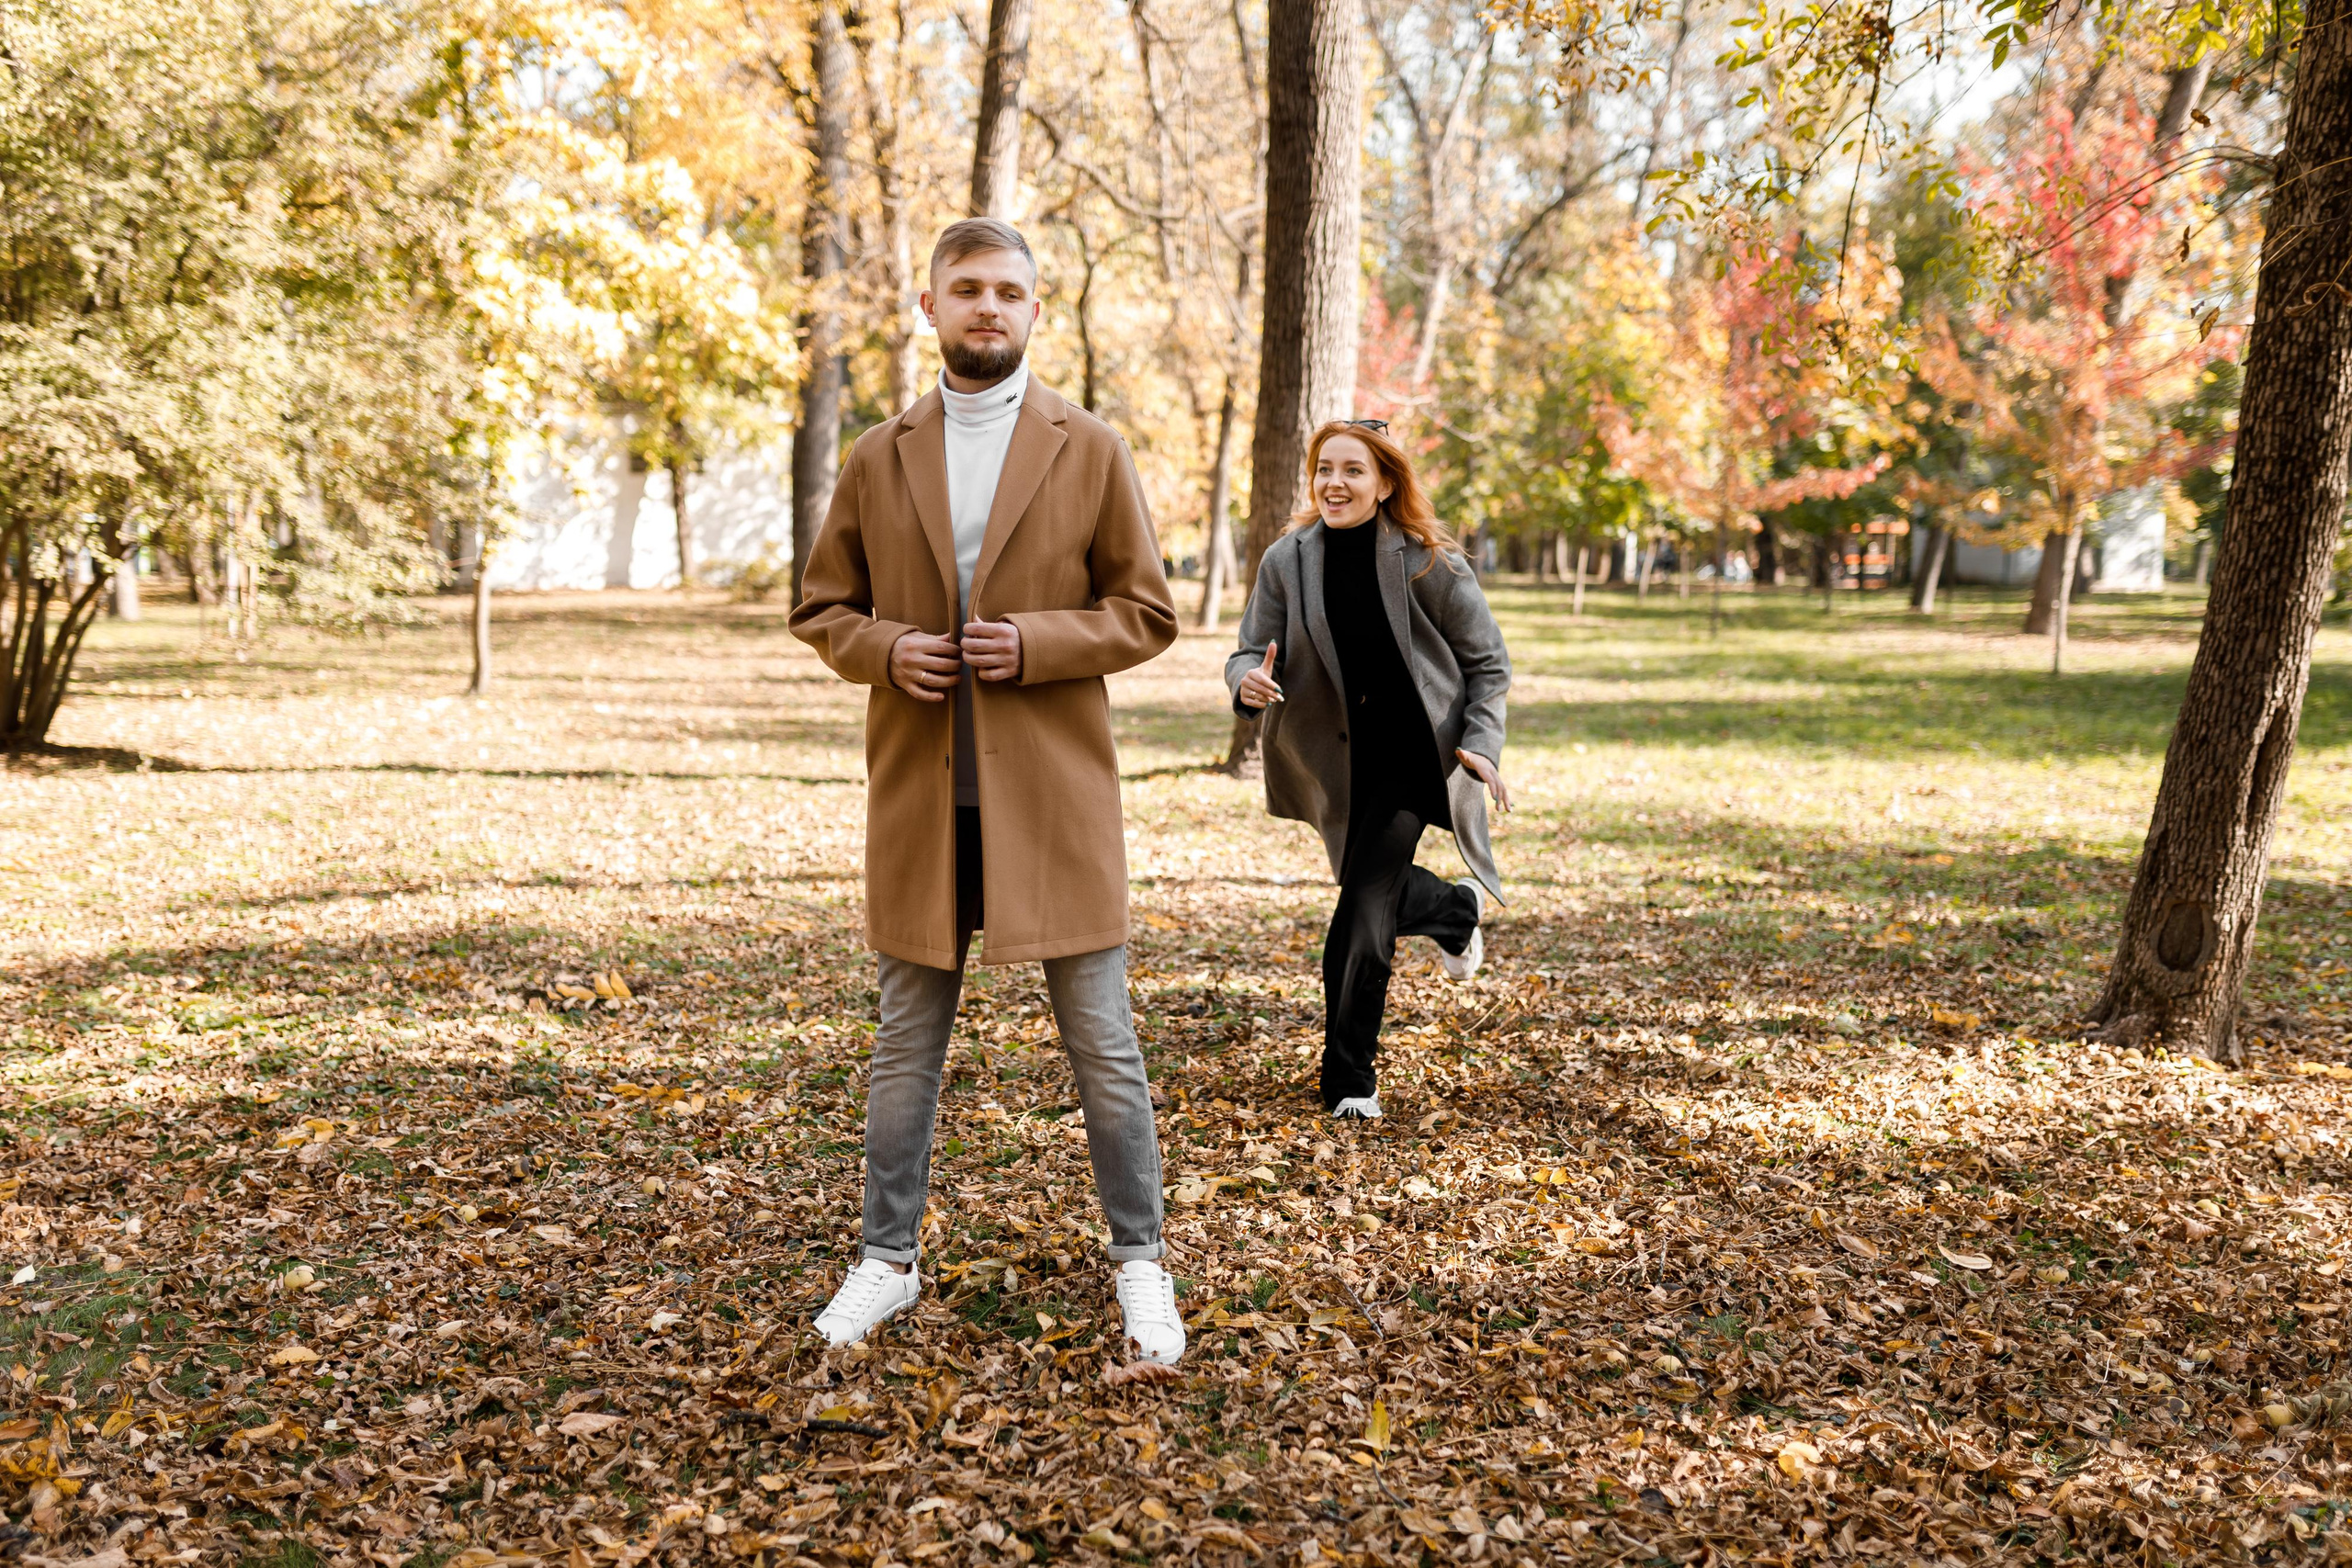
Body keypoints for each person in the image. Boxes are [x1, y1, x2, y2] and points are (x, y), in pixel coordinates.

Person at [789, 218, 1185, 1363]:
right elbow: (823, 607)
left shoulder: (1089, 446)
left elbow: (1147, 612)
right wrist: (882, 652)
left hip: (1054, 801)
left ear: (1036, 312)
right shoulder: (878, 453)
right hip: (922, 795)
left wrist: (1040, 644)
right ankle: (885, 1261)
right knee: (906, 1041)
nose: (988, 309)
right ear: (929, 308)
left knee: (1102, 1041)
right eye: (967, 289)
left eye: (1010, 291)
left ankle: (1141, 1264)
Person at [1225, 420, 1510, 1121]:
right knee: (1372, 895)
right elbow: (1247, 652)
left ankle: (1347, 1080)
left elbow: (1488, 663)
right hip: (1342, 764)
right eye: (1324, 468)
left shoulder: (1425, 560)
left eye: (1353, 470)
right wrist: (1246, 684)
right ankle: (1454, 909)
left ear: (1384, 484)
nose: (1335, 483)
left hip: (1418, 755)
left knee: (1361, 907)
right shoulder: (1286, 560)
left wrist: (1483, 742)